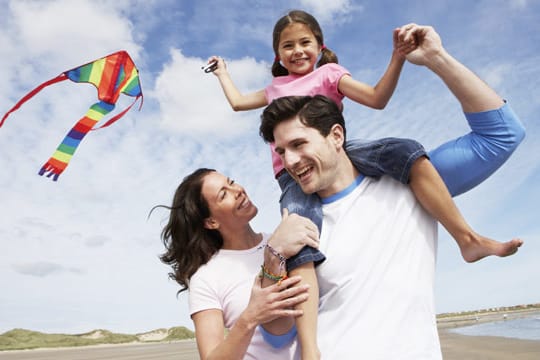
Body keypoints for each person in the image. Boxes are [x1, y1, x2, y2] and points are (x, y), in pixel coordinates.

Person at [206, 10, 523, 358]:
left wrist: (435, 58)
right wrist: (274, 257)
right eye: (282, 149)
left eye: (300, 143)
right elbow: (278, 333)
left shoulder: (412, 184)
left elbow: (502, 135)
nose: (291, 159)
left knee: (406, 150)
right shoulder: (293, 230)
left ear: (336, 134)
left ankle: (468, 239)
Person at [157, 168, 319, 359]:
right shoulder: (206, 278)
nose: (238, 191)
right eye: (224, 194)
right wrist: (250, 316)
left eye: (231, 182)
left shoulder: (283, 239)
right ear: (211, 222)